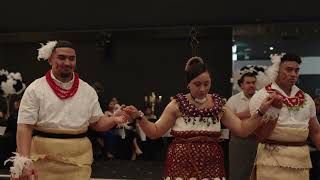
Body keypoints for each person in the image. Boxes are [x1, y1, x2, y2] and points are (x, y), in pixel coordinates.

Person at [124, 56, 279, 180]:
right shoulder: (176, 105)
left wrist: (261, 111)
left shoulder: (219, 104)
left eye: (207, 84)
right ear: (188, 84)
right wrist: (140, 118)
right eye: (197, 84)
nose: (203, 89)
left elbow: (242, 130)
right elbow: (155, 132)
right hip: (181, 166)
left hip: (211, 168)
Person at [6, 40, 128, 180]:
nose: (68, 62)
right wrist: (25, 162)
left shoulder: (88, 91)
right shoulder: (35, 89)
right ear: (50, 59)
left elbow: (96, 123)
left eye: (72, 58)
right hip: (41, 160)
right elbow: (25, 127)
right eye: (62, 57)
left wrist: (113, 119)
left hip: (78, 161)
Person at [249, 53, 320, 180]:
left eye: (296, 70)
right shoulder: (261, 97)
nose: (293, 74)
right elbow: (261, 135)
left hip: (301, 161)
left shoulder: (307, 98)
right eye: (288, 70)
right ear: (276, 71)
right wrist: (275, 109)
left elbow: (315, 132)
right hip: (270, 160)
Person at [227, 72, 258, 180]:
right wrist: (245, 114)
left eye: (253, 82)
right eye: (248, 83)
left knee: (258, 174)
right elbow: (227, 120)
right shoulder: (233, 100)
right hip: (238, 142)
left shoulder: (262, 98)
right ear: (241, 85)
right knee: (237, 174)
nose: (251, 85)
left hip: (259, 141)